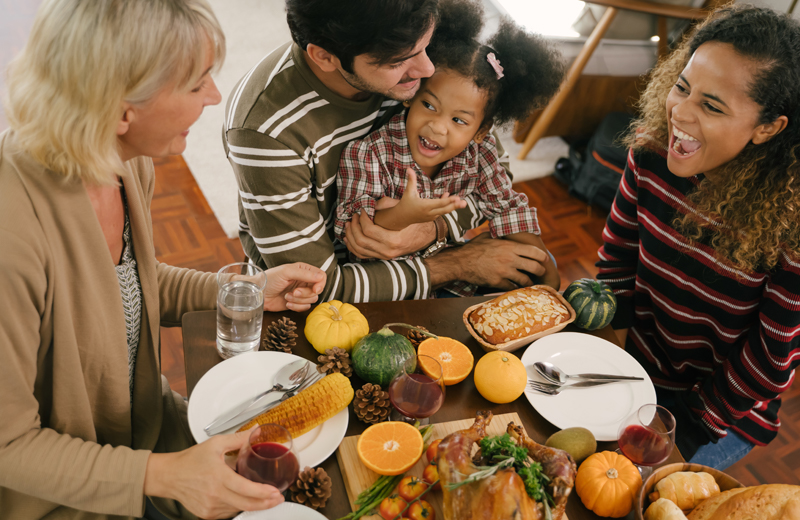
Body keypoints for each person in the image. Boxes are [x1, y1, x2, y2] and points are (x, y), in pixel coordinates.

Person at [0, 1, 325, 519]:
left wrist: (245, 291)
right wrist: (167, 476)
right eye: (197, 85)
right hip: (68, 496)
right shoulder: (11, 233)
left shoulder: (125, 164)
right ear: (121, 109)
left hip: (146, 431)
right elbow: (9, 446)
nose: (215, 97)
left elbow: (127, 285)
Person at [224, 0, 558, 304]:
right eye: (399, 61)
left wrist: (434, 227)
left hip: (421, 273)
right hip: (334, 297)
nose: (427, 69)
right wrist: (458, 264)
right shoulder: (265, 131)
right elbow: (318, 287)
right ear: (325, 57)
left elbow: (488, 165)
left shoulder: (410, 33)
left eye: (426, 46)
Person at [596, 4, 800, 470]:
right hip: (637, 361)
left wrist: (687, 425)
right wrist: (607, 353)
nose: (679, 114)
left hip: (716, 411)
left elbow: (771, 358)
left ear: (767, 128)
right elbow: (617, 259)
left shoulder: (792, 222)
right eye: (682, 87)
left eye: (711, 106)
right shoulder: (651, 149)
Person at [334, 1, 565, 297]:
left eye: (458, 120)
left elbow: (508, 209)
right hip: (385, 287)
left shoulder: (481, 153)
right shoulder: (370, 152)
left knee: (540, 263)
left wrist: (548, 271)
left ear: (481, 131)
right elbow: (353, 230)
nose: (438, 127)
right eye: (429, 105)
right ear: (411, 95)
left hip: (450, 282)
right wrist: (406, 214)